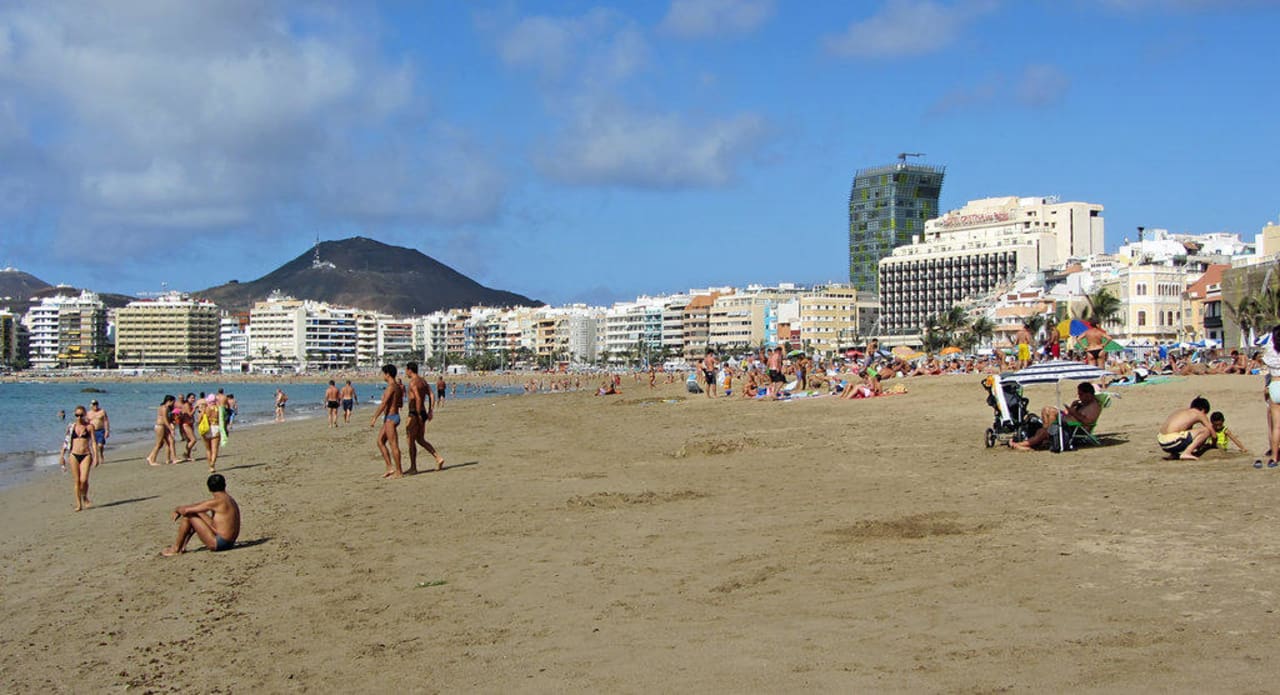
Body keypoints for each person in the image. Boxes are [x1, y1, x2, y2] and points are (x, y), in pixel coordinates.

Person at [161, 474, 241, 557]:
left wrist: (177, 509)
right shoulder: (228, 499)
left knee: (189, 516)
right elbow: (200, 506)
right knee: (197, 512)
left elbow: (185, 511)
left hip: (220, 543)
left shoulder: (217, 502)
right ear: (225, 485)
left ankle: (176, 549)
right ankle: (182, 546)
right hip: (229, 542)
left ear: (209, 488)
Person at [1011, 382, 1102, 451]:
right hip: (1069, 423)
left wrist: (1073, 412)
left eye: (1081, 394)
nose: (1079, 396)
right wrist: (1072, 407)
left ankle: (1025, 444)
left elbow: (1087, 422)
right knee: (1046, 410)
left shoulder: (1094, 406)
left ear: (1088, 394)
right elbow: (1068, 413)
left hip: (1074, 428)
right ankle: (1046, 438)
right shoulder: (1084, 404)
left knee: (1045, 425)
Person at [404, 362, 445, 474]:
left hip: (414, 413)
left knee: (410, 439)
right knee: (420, 439)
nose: (405, 372)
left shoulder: (413, 383)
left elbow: (417, 398)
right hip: (423, 412)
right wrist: (430, 410)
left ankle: (413, 467)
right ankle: (438, 458)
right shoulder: (423, 381)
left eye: (406, 370)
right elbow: (431, 394)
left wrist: (417, 415)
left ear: (409, 370)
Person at [370, 364, 404, 478]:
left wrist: (375, 417)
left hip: (391, 417)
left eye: (383, 373)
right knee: (380, 441)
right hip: (391, 417)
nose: (382, 375)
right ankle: (390, 467)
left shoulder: (391, 387)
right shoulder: (398, 387)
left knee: (393, 445)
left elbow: (384, 403)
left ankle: (399, 471)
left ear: (387, 374)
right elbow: (400, 403)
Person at [64, 406, 100, 511]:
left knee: (83, 480)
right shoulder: (71, 427)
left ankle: (84, 496)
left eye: (81, 415)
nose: (79, 417)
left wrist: (96, 456)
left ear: (85, 415)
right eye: (77, 415)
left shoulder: (89, 427)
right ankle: (78, 504)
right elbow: (66, 442)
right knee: (77, 481)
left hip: (86, 454)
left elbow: (93, 442)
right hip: (74, 455)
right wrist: (62, 456)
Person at [1156, 396, 1214, 461]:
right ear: (1203, 409)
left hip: (1163, 443)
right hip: (1172, 442)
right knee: (1206, 431)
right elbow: (1212, 432)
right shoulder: (1198, 413)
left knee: (1181, 433)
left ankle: (1174, 454)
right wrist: (1213, 444)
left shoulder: (1183, 412)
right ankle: (1187, 453)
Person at [1262, 324, 1280, 468]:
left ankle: (1274, 457)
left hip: (1274, 385)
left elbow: (1265, 362)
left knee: (1277, 427)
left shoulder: (1270, 350)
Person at [145, 395, 178, 466]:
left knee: (171, 440)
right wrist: (171, 428)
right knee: (159, 444)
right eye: (173, 402)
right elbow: (165, 420)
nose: (173, 404)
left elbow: (168, 419)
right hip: (160, 426)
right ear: (169, 401)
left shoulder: (167, 408)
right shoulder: (164, 408)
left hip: (164, 426)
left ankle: (174, 459)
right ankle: (152, 460)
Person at [199, 394, 224, 472]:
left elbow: (199, 419)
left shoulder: (206, 408)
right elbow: (223, 419)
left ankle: (210, 466)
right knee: (215, 449)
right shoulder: (218, 408)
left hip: (207, 428)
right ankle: (212, 464)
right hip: (216, 427)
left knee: (208, 449)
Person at [86, 399, 110, 464]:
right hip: (92, 431)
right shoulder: (88, 413)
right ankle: (96, 458)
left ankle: (101, 455)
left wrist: (107, 430)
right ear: (91, 405)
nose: (95, 406)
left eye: (96, 404)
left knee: (100, 445)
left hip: (101, 431)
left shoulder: (102, 411)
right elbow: (87, 423)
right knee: (93, 446)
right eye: (94, 404)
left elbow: (106, 421)